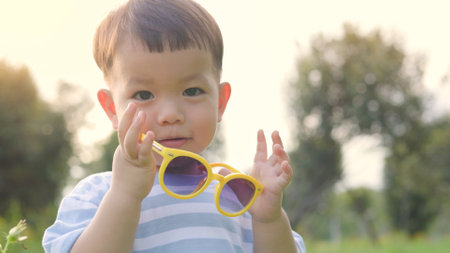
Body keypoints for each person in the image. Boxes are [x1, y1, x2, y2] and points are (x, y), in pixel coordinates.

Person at [42, 0, 305, 252]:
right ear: (112, 109)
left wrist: (268, 220)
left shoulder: (237, 196)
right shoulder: (98, 194)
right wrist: (125, 196)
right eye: (144, 95)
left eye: (191, 91)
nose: (170, 115)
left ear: (220, 103)